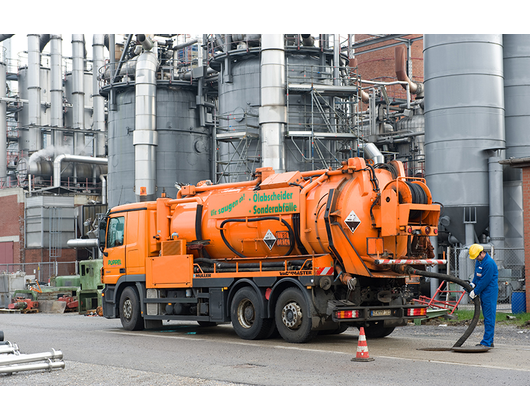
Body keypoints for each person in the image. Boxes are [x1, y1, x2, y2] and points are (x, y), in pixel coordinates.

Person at [468, 244, 499, 349]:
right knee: (487, 317)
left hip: (489, 292)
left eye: (477, 256)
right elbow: (477, 275)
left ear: (482, 253)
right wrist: (473, 284)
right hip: (484, 290)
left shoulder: (489, 263)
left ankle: (487, 342)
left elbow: (485, 281)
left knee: (489, 317)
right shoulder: (479, 261)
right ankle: (489, 341)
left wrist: (475, 291)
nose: (476, 259)